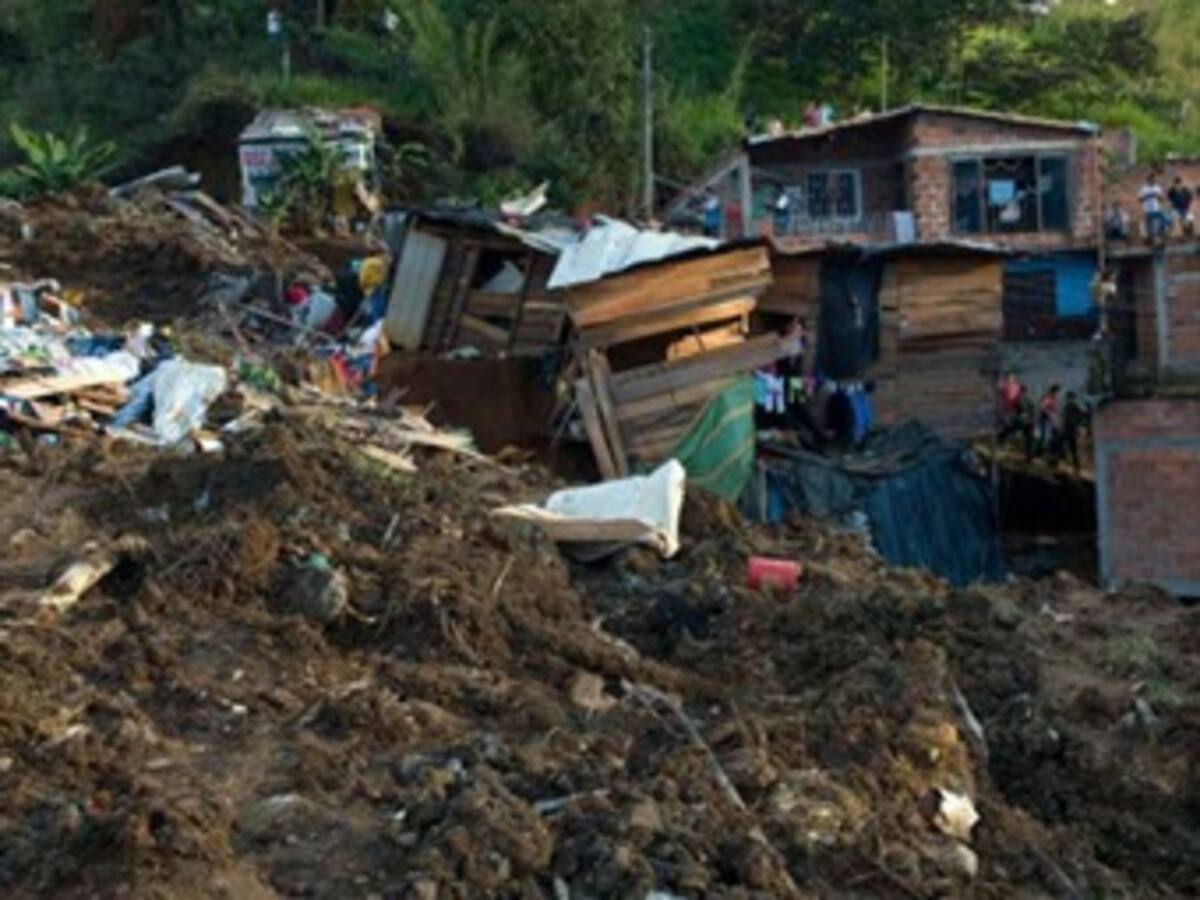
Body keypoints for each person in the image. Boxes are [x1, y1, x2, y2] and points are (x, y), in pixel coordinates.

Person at [998, 384, 1036, 461]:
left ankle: (1000, 443)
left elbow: (1015, 409)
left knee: (1008, 429)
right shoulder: (1030, 399)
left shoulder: (1018, 398)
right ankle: (1029, 457)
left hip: (1021, 420)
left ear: (1020, 391)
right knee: (1028, 440)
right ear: (1026, 390)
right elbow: (1033, 409)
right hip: (1030, 422)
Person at [1058, 391, 1090, 474]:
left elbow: (1078, 416)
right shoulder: (1071, 407)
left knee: (1070, 448)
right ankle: (1074, 466)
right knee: (1071, 449)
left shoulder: (1070, 407)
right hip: (1070, 430)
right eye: (1071, 398)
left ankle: (1073, 466)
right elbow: (1081, 416)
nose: (1071, 400)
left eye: (1070, 398)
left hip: (1068, 430)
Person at [1139, 172, 1169, 242]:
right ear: (1148, 180)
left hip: (1156, 209)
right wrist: (1147, 196)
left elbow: (1161, 199)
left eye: (1153, 180)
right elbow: (1140, 199)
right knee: (1149, 226)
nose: (1152, 181)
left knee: (1164, 221)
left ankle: (1160, 235)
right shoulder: (1143, 189)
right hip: (1147, 210)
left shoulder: (1157, 188)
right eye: (1150, 180)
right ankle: (1150, 239)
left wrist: (1159, 197)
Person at [1037, 384, 1061, 455]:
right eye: (1057, 391)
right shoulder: (1049, 396)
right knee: (1046, 434)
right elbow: (1043, 407)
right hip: (1045, 417)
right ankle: (1044, 449)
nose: (1057, 394)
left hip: (1048, 416)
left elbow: (1051, 407)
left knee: (1047, 434)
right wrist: (1050, 414)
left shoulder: (1051, 396)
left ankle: (1045, 449)